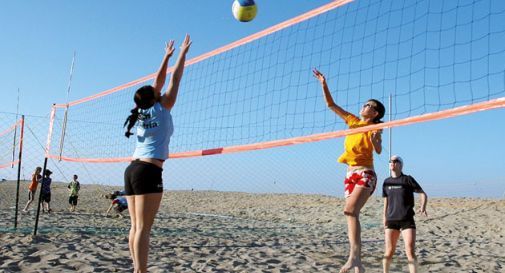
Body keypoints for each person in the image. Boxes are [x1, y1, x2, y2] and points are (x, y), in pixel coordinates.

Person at [123, 34, 192, 273]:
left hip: (132, 169)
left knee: (135, 226)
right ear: (155, 97)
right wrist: (182, 53)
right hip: (148, 171)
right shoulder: (163, 107)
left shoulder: (140, 112)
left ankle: (136, 270)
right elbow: (174, 77)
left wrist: (167, 55)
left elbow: (159, 81)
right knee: (142, 228)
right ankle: (140, 271)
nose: (159, 90)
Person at [313, 68, 385, 273]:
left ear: (375, 113)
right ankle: (358, 262)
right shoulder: (353, 121)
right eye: (364, 104)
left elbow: (378, 150)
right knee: (351, 215)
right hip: (349, 174)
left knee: (350, 210)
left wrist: (373, 137)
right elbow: (331, 105)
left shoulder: (375, 128)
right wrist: (323, 84)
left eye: (368, 105)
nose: (364, 106)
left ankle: (354, 258)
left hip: (366, 173)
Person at [382, 155, 428, 273]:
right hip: (391, 220)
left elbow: (423, 194)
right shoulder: (386, 182)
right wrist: (384, 217)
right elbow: (386, 201)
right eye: (390, 161)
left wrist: (422, 207)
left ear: (401, 165)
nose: (392, 162)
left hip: (407, 220)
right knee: (389, 251)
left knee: (410, 251)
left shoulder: (407, 179)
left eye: (395, 161)